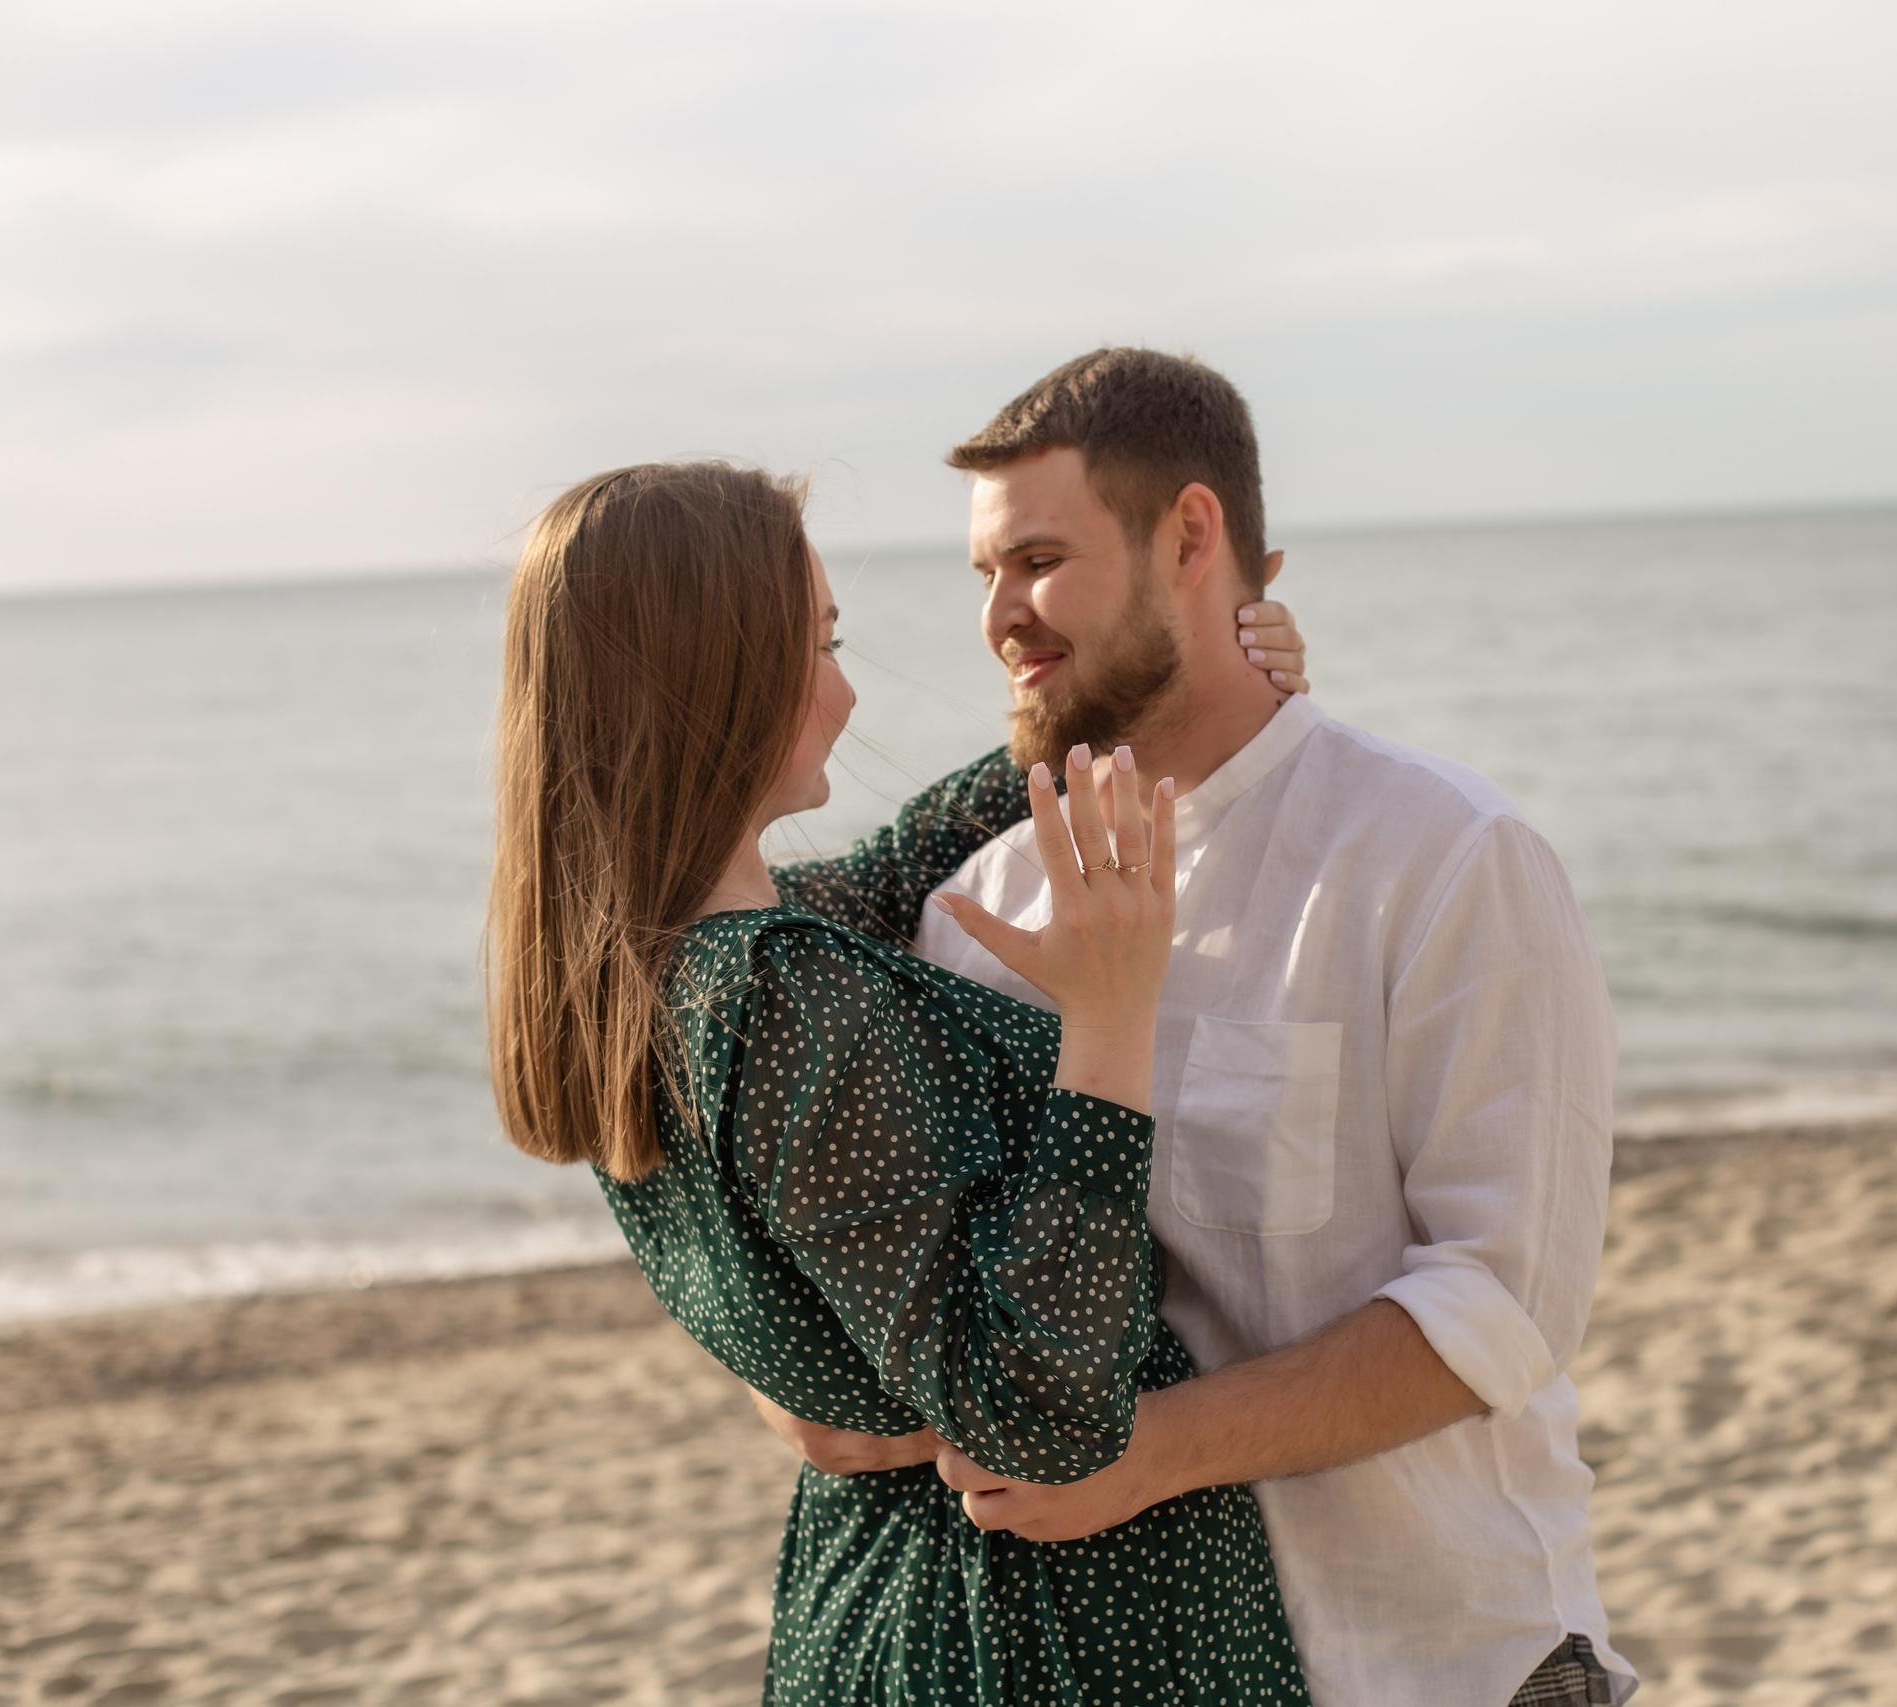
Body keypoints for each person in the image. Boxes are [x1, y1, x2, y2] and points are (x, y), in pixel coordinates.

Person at [752, 350, 1634, 1707]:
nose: (1000, 616)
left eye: (1038, 559)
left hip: (1432, 1656)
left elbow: (1505, 1296)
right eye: (983, 572)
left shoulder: (1445, 855)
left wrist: (1155, 1447)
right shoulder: (971, 913)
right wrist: (806, 1385)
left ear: (1190, 535)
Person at [482, 461, 1313, 1705]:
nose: (845, 688)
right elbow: (1041, 1413)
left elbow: (915, 853)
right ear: (722, 673)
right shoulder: (779, 991)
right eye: (818, 645)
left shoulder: (650, 974)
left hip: (881, 1589)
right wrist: (1109, 1024)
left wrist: (1145, 689)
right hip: (1041, 1636)